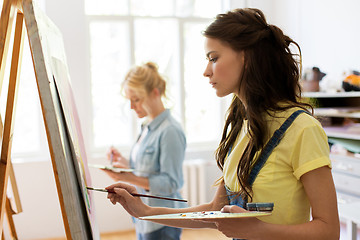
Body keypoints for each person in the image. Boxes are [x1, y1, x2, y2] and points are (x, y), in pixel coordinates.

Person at [105, 8, 340, 240]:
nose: (206, 71)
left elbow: (329, 231)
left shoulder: (302, 129)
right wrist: (144, 211)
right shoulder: (241, 128)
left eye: (214, 58)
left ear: (246, 57)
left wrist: (259, 230)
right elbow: (215, 210)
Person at [103, 62, 187, 240]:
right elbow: (145, 169)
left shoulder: (170, 131)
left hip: (163, 220)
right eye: (130, 101)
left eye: (136, 99)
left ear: (155, 92)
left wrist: (124, 178)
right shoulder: (146, 127)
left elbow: (171, 182)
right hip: (144, 219)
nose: (132, 107)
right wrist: (124, 165)